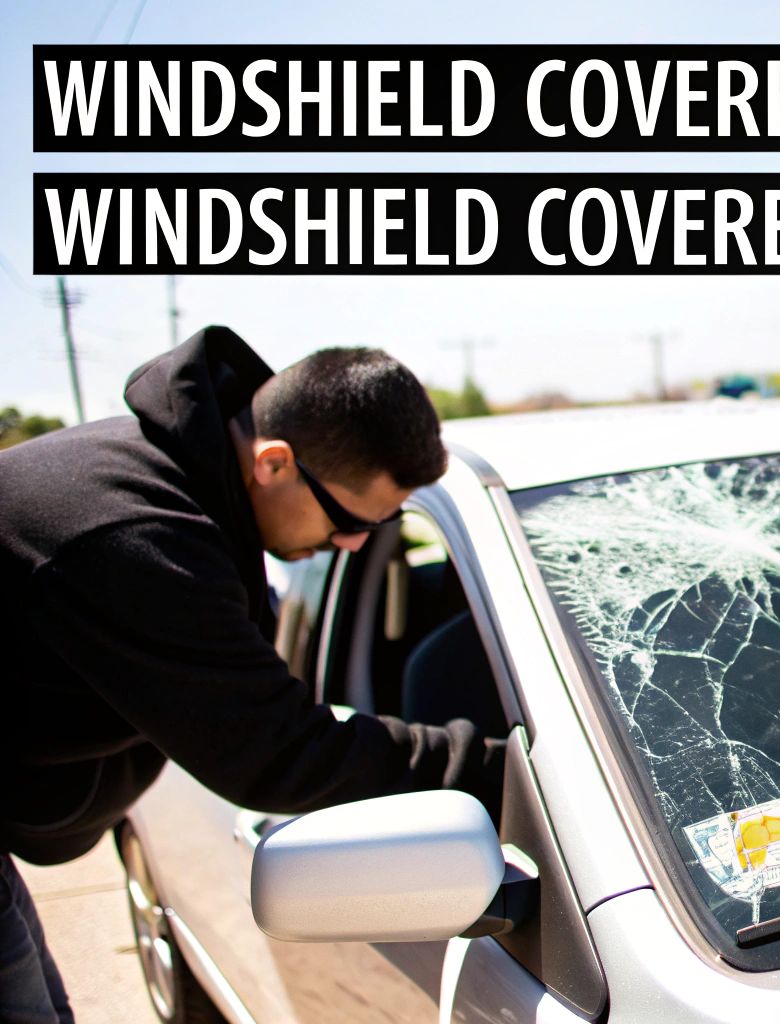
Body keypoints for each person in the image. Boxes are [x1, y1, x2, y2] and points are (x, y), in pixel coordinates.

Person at [0, 326, 503, 1024]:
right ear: (273, 464)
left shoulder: (177, 487)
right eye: (348, 523)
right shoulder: (136, 536)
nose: (355, 546)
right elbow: (279, 753)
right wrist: (507, 776)